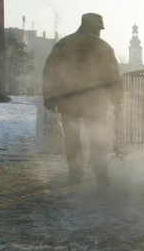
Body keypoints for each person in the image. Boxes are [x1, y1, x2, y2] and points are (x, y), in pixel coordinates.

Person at [42, 13, 121, 188]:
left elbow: (50, 72)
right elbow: (113, 75)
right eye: (99, 28)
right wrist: (117, 98)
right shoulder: (103, 46)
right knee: (97, 137)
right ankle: (101, 175)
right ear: (93, 26)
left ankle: (75, 174)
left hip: (68, 101)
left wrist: (49, 97)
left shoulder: (64, 43)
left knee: (72, 138)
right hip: (96, 101)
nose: (100, 32)